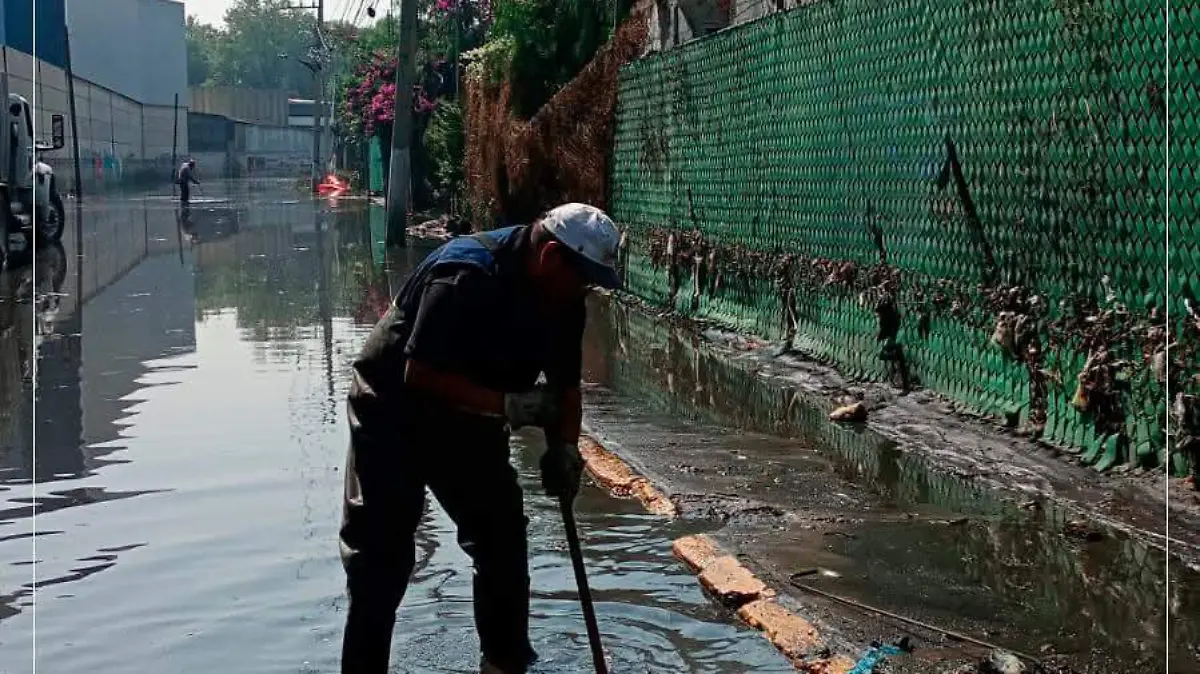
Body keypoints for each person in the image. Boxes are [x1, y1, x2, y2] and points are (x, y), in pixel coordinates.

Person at [340, 203, 622, 674]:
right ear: (551, 256)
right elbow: (421, 374)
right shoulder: (464, 276)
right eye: (583, 279)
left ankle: (505, 662)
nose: (585, 291)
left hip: (471, 418)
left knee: (502, 537)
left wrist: (566, 450)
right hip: (393, 410)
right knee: (379, 558)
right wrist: (509, 406)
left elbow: (564, 391)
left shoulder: (564, 300)